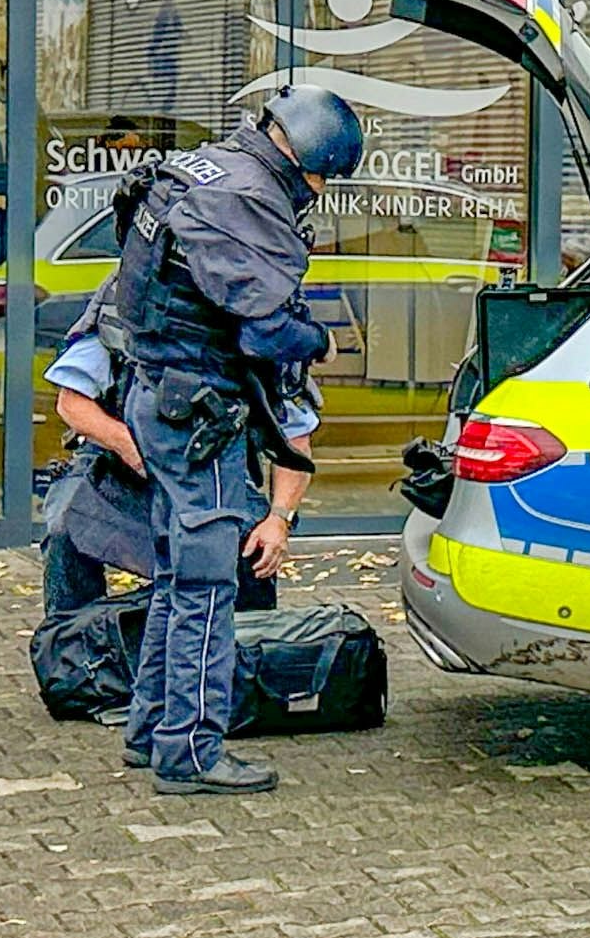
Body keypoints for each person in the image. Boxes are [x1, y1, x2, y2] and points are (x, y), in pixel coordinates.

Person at [100, 86, 364, 795]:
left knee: (173, 568)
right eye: (323, 178)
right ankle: (190, 750)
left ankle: (151, 726)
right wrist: (322, 342)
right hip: (199, 414)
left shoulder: (204, 167)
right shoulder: (250, 200)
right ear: (308, 159)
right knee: (209, 584)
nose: (320, 192)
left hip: (154, 393)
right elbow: (266, 330)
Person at [34, 327, 318, 722]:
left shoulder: (264, 327)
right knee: (67, 526)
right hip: (122, 461)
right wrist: (131, 446)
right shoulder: (127, 308)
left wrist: (278, 519)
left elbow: (295, 443)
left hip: (215, 469)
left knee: (253, 542)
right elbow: (71, 402)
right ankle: (74, 665)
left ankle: (241, 669)